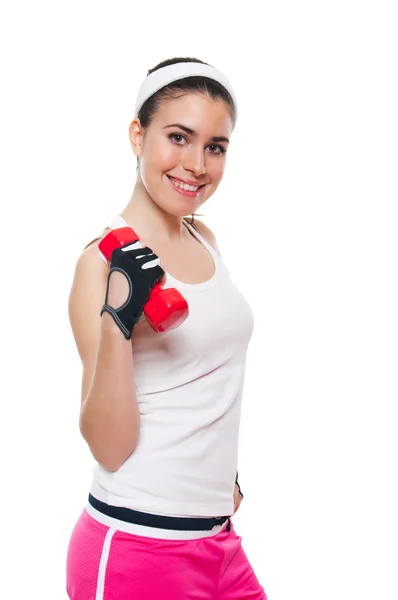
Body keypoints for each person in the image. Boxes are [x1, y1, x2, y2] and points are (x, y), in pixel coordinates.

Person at [66, 56, 266, 600]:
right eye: (178, 137)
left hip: (217, 543)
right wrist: (117, 323)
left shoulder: (205, 239)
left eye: (215, 146)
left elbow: (204, 371)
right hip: (137, 547)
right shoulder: (101, 264)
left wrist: (221, 475)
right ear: (138, 135)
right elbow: (108, 447)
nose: (196, 164)